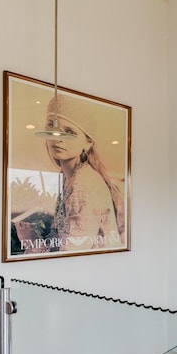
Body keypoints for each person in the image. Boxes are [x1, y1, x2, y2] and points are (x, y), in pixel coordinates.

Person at [41, 94, 125, 252]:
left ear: (87, 143)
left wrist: (31, 241)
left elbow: (73, 250)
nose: (57, 138)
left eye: (70, 132)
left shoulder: (82, 183)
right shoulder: (69, 177)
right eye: (52, 126)